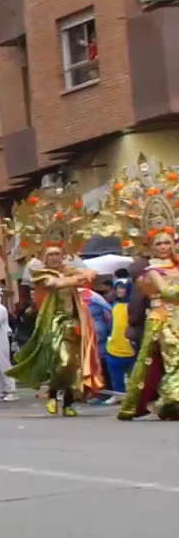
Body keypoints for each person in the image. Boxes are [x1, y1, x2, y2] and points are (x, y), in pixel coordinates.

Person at [6, 186, 104, 417]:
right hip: (53, 323)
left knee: (74, 364)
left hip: (75, 321)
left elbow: (91, 275)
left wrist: (80, 275)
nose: (54, 257)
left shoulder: (70, 268)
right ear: (43, 256)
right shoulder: (42, 273)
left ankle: (68, 402)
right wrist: (76, 277)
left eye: (57, 254)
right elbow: (54, 284)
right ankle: (52, 392)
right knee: (62, 360)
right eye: (50, 254)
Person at [97, 155, 179, 420]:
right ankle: (171, 399)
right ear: (152, 246)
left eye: (168, 242)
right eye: (160, 244)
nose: (164, 247)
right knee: (173, 360)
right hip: (164, 320)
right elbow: (166, 292)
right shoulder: (151, 269)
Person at [104, 278, 135, 405]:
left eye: (122, 288)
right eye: (117, 288)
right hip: (114, 344)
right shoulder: (114, 305)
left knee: (133, 374)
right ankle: (118, 394)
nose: (119, 291)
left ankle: (133, 396)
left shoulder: (133, 305)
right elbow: (111, 324)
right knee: (115, 374)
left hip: (130, 345)